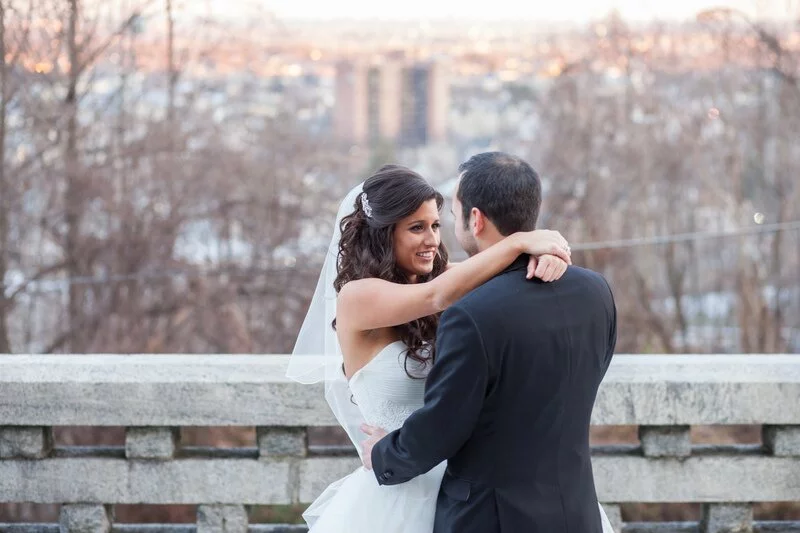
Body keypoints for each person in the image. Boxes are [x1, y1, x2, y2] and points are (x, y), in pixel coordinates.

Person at [288, 163, 573, 533]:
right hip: (398, 495)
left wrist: (544, 255)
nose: (432, 240)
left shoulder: (445, 278)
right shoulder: (357, 297)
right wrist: (520, 242)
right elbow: (438, 295)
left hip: (467, 490)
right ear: (383, 234)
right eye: (416, 228)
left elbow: (496, 274)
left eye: (436, 225)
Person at [361, 152, 617, 533]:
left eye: (451, 215)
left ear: (475, 219)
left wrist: (385, 454)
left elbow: (441, 426)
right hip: (577, 511)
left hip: (491, 518)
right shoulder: (596, 292)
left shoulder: (471, 315)